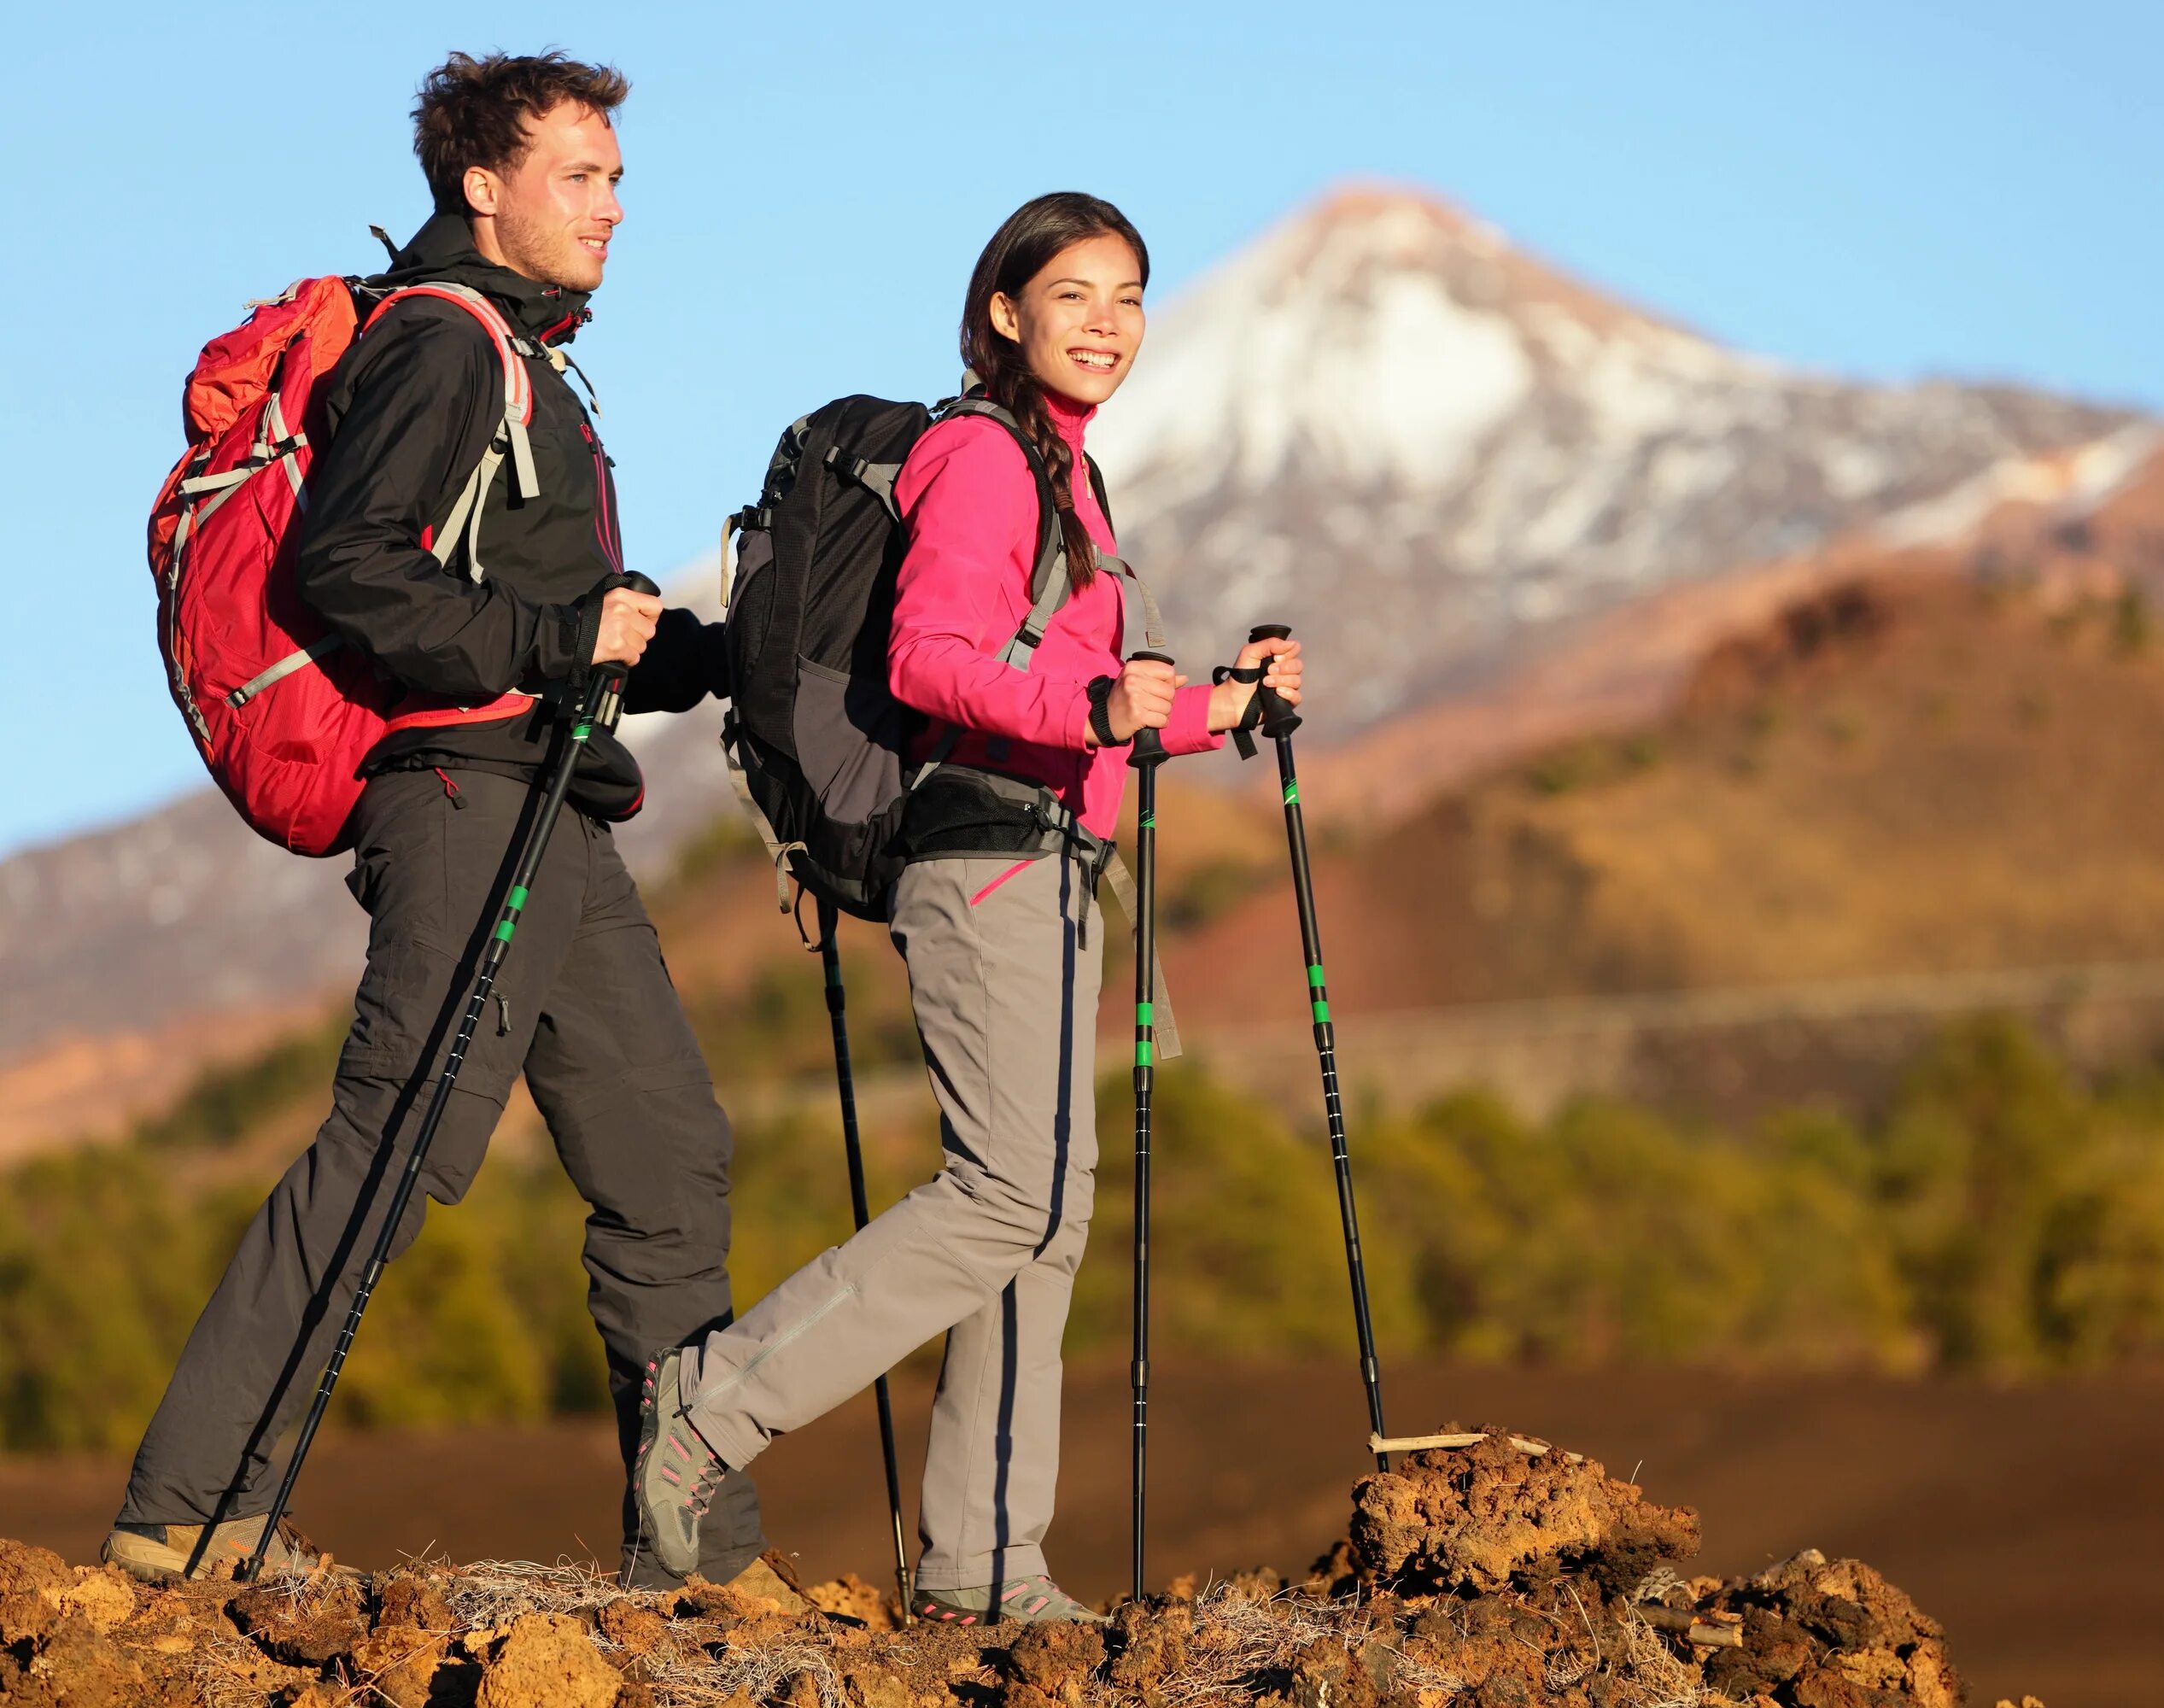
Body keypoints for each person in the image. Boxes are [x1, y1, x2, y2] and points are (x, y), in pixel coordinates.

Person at [106, 50, 785, 1601]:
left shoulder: (534, 363)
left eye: (617, 175)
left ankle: (699, 1561)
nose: (615, 203)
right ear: (484, 187)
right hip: (468, 802)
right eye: (582, 175)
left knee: (668, 1158)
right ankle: (182, 1524)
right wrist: (560, 648)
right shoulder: (442, 343)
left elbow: (568, 624)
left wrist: (725, 648)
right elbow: (351, 568)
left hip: (557, 814)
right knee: (397, 1140)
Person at [630, 192, 1303, 1621]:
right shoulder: (986, 457)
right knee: (1009, 1193)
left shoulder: (1073, 483)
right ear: (1006, 312)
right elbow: (936, 661)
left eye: (1128, 294)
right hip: (987, 859)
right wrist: (1095, 698)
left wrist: (1222, 711)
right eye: (1075, 294)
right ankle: (711, 1407)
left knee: (1042, 1220)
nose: (1109, 321)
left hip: (1056, 858)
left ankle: (985, 1567)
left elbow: (1090, 712)